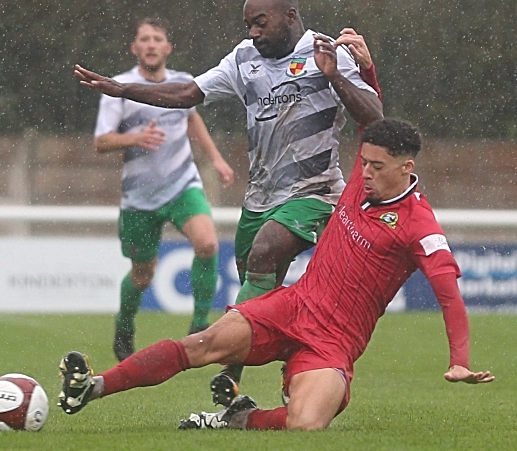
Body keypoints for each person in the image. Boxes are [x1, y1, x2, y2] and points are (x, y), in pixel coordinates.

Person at [56, 118, 494, 431]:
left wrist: (459, 360)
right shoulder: (363, 181)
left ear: (407, 170)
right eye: (364, 162)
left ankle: (240, 418)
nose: (364, 173)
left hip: (333, 341)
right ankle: (91, 388)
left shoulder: (421, 227)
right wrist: (356, 67)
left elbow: (449, 296)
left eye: (377, 167)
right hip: (292, 305)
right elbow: (369, 113)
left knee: (307, 423)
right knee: (202, 345)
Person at [75, 0, 383, 404]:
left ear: (290, 17)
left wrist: (334, 77)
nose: (253, 32)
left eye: (261, 22)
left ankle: (227, 369)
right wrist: (125, 90)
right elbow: (188, 94)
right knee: (257, 296)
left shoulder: (328, 53)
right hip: (260, 197)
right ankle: (282, 364)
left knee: (263, 253)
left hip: (315, 190)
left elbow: (375, 117)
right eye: (248, 24)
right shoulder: (244, 58)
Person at [92, 17, 235, 361]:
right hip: (139, 198)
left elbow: (191, 118)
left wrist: (215, 158)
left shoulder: (183, 83)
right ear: (135, 48)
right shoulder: (120, 87)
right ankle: (125, 323)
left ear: (168, 48)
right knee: (143, 275)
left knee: (208, 243)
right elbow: (101, 141)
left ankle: (200, 324)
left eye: (158, 39)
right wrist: (135, 137)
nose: (152, 44)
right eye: (145, 39)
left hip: (182, 184)